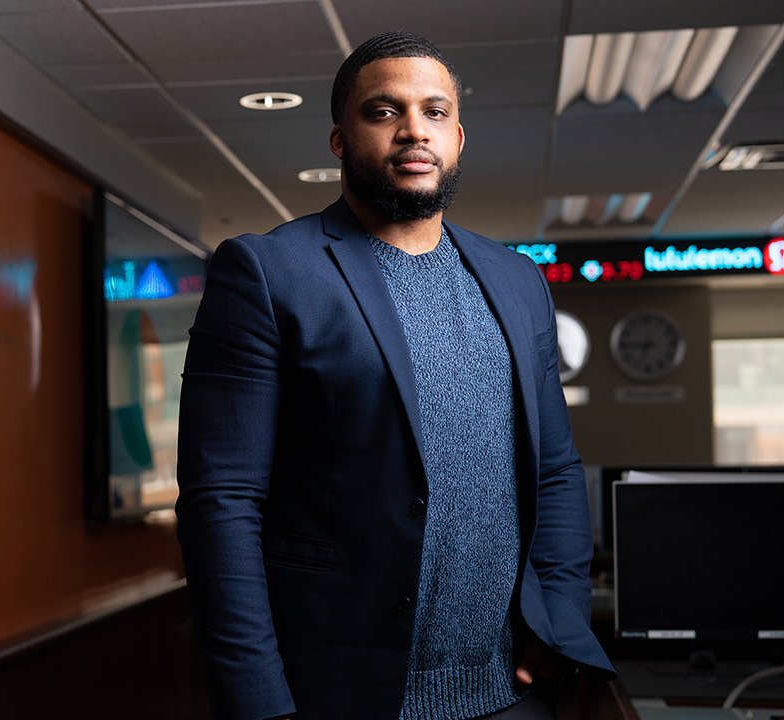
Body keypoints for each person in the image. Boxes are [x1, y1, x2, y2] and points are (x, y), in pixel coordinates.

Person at [175, 31, 615, 720]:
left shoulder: (517, 280)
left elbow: (555, 469)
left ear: (459, 137)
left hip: (513, 693)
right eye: (383, 111)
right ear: (340, 139)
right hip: (339, 696)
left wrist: (562, 618)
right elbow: (222, 502)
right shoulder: (269, 272)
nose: (414, 130)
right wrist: (255, 698)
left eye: (434, 112)